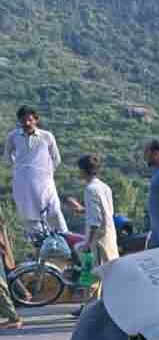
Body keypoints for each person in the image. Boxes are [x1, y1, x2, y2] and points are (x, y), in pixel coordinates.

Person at [5, 106, 68, 234]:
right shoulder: (13, 136)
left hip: (44, 183)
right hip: (23, 184)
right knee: (29, 217)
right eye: (23, 121)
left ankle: (65, 240)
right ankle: (40, 244)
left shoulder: (47, 136)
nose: (27, 123)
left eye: (30, 120)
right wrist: (20, 170)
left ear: (36, 120)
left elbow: (56, 159)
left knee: (54, 212)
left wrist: (46, 173)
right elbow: (7, 156)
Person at [65, 155, 120, 265]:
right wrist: (82, 210)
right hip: (110, 237)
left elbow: (95, 222)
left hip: (98, 241)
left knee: (99, 272)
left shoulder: (90, 189)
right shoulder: (105, 187)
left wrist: (88, 244)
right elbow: (107, 212)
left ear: (83, 170)